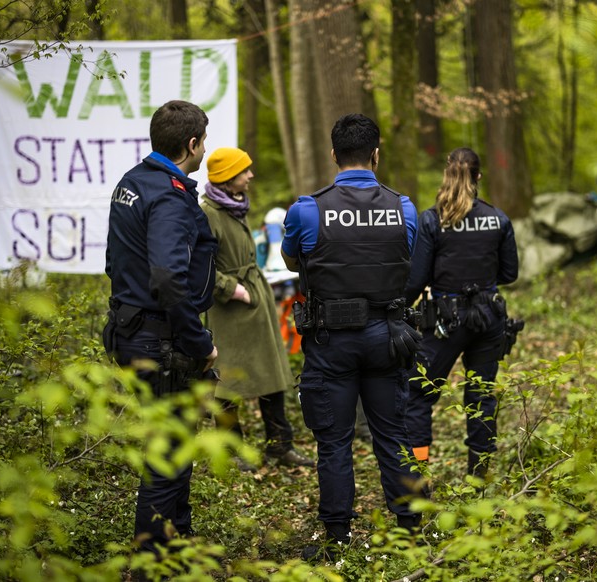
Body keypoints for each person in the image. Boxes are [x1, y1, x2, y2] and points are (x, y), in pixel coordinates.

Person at [281, 113, 425, 559]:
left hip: (330, 342)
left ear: (333, 155)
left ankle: (338, 537)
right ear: (376, 155)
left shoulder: (306, 209)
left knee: (335, 440)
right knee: (393, 434)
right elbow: (405, 257)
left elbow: (291, 263)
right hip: (388, 335)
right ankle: (409, 531)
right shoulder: (404, 208)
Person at [103, 100, 219, 555]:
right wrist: (199, 341)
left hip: (132, 329)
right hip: (159, 339)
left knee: (172, 443)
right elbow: (170, 278)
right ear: (192, 145)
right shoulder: (168, 195)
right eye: (204, 141)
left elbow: (114, 261)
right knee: (167, 455)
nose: (205, 149)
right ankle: (152, 557)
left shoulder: (131, 183)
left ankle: (177, 539)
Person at [404, 147, 519, 478]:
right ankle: (478, 480)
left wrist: (397, 308)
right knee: (482, 396)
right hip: (489, 317)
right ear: (478, 176)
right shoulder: (498, 219)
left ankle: (416, 482)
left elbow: (417, 278)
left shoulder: (432, 220)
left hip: (444, 321)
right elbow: (510, 274)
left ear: (446, 174)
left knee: (418, 395)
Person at [200, 147, 313, 470]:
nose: (250, 176)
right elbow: (201, 265)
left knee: (271, 375)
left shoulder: (234, 205)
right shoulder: (208, 212)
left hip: (256, 302)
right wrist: (232, 290)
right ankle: (230, 450)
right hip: (231, 309)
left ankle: (280, 447)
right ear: (227, 177)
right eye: (244, 170)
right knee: (227, 382)